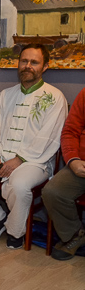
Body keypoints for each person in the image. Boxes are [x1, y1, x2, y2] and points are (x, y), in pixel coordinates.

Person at [0, 43, 67, 249]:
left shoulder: (55, 97)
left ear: (45, 66)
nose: (28, 66)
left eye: (34, 62)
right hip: (3, 154)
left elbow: (49, 137)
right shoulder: (5, 95)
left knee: (20, 185)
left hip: (36, 161)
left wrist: (18, 160)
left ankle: (16, 231)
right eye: (24, 61)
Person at [43, 87, 85, 261]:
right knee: (53, 192)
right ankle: (75, 234)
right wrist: (73, 160)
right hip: (81, 163)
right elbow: (70, 131)